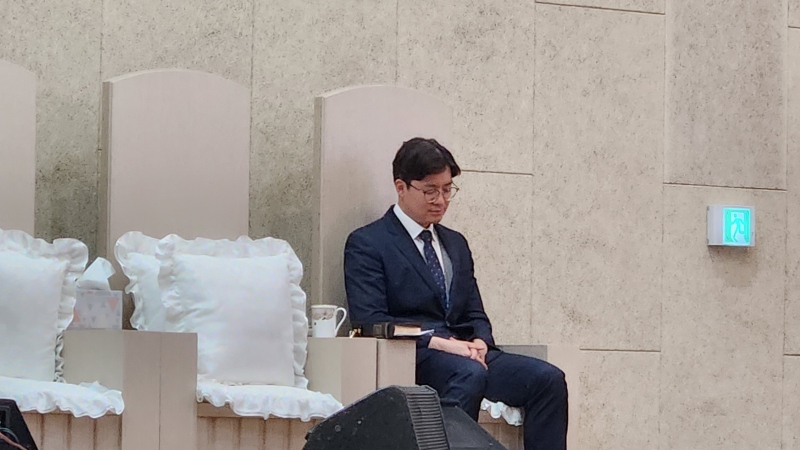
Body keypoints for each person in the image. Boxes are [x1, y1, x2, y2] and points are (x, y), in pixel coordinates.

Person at [343, 137, 568, 450]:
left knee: (547, 379)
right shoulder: (368, 243)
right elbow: (369, 319)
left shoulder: (456, 243)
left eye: (447, 190)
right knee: (468, 374)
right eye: (430, 191)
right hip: (416, 354)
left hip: (466, 353)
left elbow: (475, 312)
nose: (440, 200)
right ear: (401, 187)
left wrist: (481, 342)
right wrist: (441, 343)